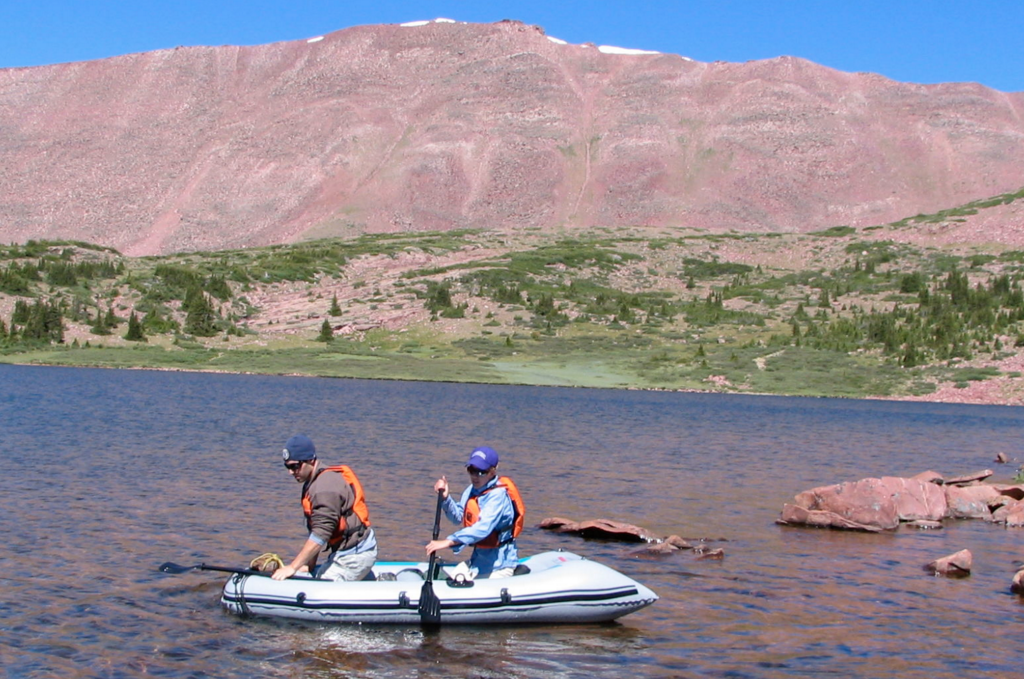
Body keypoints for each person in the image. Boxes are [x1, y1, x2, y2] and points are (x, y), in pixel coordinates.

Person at [272, 434, 378, 581]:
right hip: (348, 550)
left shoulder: (324, 487)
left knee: (317, 585)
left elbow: (321, 534)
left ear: (310, 460)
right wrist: (308, 566)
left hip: (354, 555)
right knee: (310, 574)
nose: (291, 472)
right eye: (287, 466)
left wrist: (293, 567)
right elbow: (315, 531)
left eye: (295, 466)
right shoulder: (313, 481)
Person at [425, 446, 525, 579]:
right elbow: (458, 517)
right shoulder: (472, 490)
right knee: (450, 579)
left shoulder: (498, 495)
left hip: (500, 565)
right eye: (471, 470)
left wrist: (448, 541)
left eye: (480, 472)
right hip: (478, 561)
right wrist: (445, 498)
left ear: (492, 472)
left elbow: (482, 529)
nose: (474, 476)